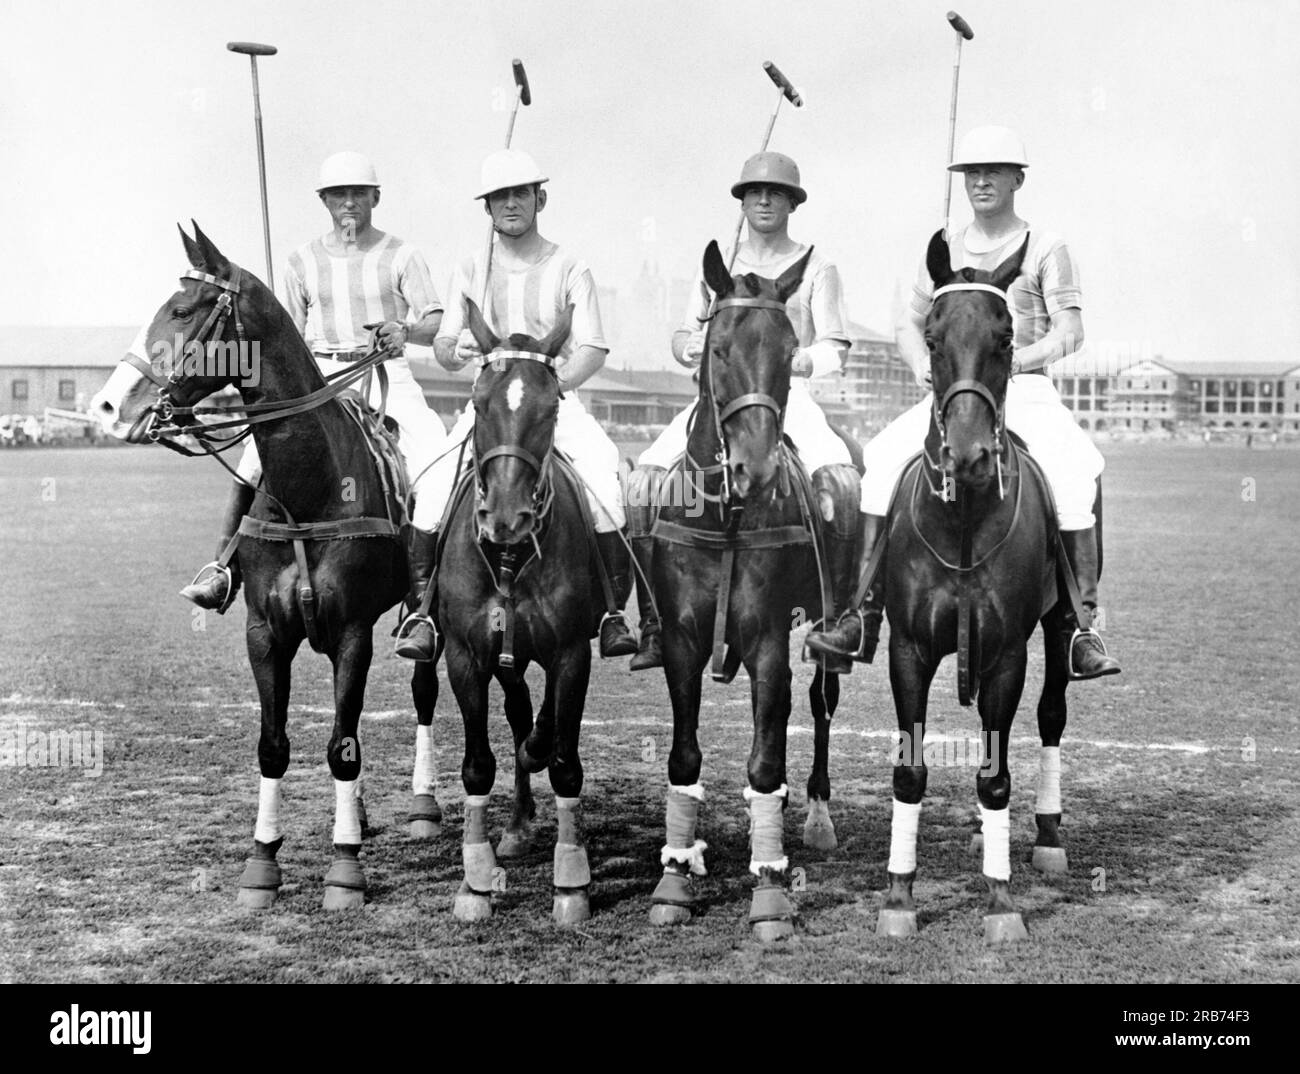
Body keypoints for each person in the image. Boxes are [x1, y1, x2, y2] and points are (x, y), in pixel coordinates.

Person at [808, 126, 1120, 681]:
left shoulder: (1048, 247)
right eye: (971, 173)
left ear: (1017, 180)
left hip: (1024, 389)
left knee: (1076, 471)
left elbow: (1070, 333)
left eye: (993, 172)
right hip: (953, 394)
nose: (980, 181)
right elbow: (909, 323)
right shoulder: (944, 247)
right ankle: (863, 614)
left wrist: (1015, 362)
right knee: (879, 464)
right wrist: (924, 366)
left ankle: (1079, 625)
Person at [393, 148, 636, 661]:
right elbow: (445, 348)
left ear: (539, 198)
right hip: (491, 407)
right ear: (487, 209)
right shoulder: (469, 269)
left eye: (519, 193)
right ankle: (421, 614)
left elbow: (592, 347)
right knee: (434, 486)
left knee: (605, 478)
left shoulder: (571, 265)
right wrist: (453, 350)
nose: (510, 204)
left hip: (553, 403)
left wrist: (552, 388)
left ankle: (614, 612)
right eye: (499, 196)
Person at [181, 151, 448, 612]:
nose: (349, 203)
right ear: (324, 200)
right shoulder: (301, 259)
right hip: (320, 375)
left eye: (358, 194)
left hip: (387, 374)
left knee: (435, 459)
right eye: (339, 195)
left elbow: (434, 320)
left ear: (375, 198)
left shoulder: (402, 254)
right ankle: (223, 567)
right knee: (253, 459)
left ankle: (425, 587)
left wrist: (403, 331)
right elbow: (289, 336)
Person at [627, 151, 861, 671]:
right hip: (720, 399)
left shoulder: (817, 266)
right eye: (753, 191)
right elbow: (684, 332)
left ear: (792, 202)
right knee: (641, 484)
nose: (763, 199)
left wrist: (803, 360)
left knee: (843, 483)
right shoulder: (720, 265)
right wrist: (688, 346)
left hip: (785, 397)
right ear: (742, 200)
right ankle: (653, 622)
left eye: (775, 192)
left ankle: (837, 618)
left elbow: (837, 344)